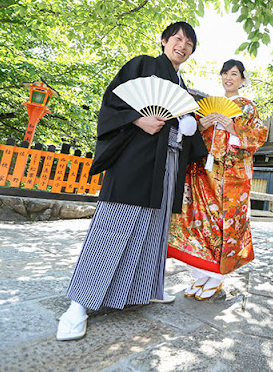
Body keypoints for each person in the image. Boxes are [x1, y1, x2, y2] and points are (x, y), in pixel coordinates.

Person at [56, 22, 208, 341]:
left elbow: (184, 128)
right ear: (164, 41)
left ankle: (136, 291)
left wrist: (193, 128)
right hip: (136, 159)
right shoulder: (143, 65)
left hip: (167, 166)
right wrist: (138, 118)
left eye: (189, 43)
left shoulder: (183, 84)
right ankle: (78, 305)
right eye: (177, 39)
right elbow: (113, 102)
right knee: (115, 225)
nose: (182, 45)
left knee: (153, 229)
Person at [167, 59, 268, 300]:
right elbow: (193, 135)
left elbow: (258, 136)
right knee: (199, 220)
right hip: (202, 173)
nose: (228, 78)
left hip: (229, 178)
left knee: (222, 224)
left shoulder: (247, 107)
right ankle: (201, 275)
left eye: (234, 74)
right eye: (225, 73)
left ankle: (217, 277)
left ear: (243, 80)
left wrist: (234, 130)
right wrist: (202, 124)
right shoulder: (207, 106)